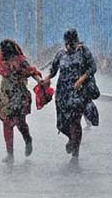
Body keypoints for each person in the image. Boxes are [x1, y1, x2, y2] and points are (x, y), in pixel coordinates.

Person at [41, 29, 97, 164]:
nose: (70, 45)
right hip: (63, 94)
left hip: (78, 92)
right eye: (68, 42)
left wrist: (82, 79)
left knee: (75, 121)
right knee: (62, 124)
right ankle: (72, 139)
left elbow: (92, 67)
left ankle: (75, 155)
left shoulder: (83, 52)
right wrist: (48, 78)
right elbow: (54, 69)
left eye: (72, 42)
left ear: (76, 40)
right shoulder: (60, 54)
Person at [0, 39, 41, 164]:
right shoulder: (2, 60)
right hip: (5, 96)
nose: (2, 54)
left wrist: (39, 81)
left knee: (20, 122)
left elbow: (31, 71)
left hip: (18, 96)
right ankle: (10, 154)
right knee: (7, 123)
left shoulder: (21, 60)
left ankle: (27, 139)